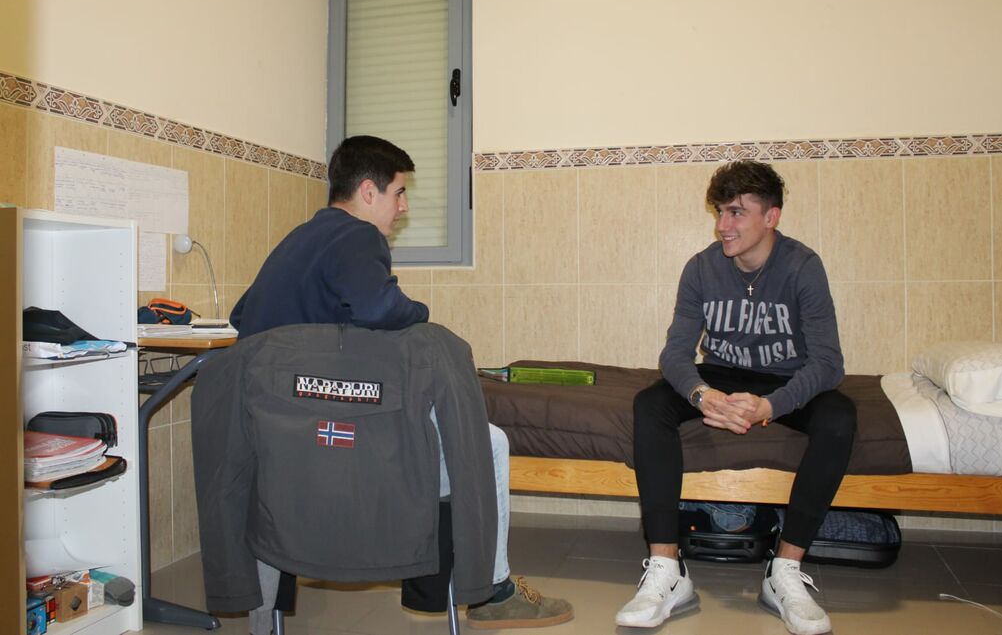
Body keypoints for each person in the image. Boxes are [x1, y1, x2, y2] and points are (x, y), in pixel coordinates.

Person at [231, 135, 573, 630]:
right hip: (353, 458)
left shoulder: (295, 241)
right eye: (399, 192)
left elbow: (243, 317)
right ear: (368, 192)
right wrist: (418, 312)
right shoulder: (358, 236)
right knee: (490, 443)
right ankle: (492, 589)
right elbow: (378, 308)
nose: (403, 206)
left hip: (281, 462)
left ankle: (266, 619)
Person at [615, 160, 856, 635]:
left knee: (839, 416)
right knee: (650, 404)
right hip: (719, 375)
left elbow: (829, 363)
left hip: (785, 379)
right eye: (720, 212)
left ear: (771, 217)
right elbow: (675, 354)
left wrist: (771, 406)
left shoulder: (803, 266)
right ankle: (667, 567)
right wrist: (701, 395)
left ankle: (785, 569)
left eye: (736, 213)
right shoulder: (701, 268)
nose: (723, 225)